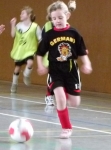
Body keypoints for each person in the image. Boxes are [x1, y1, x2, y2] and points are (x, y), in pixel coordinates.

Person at [36, 0, 92, 138]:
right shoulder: (49, 35)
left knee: (74, 103)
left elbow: (82, 51)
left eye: (60, 17)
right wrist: (41, 65)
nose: (57, 20)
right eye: (54, 18)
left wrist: (87, 63)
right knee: (60, 98)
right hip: (55, 70)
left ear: (67, 15)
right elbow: (39, 53)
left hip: (71, 70)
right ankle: (66, 128)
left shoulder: (74, 33)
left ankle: (66, 91)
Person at [42, 0, 77, 106]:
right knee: (52, 76)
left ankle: (62, 95)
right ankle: (49, 95)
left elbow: (63, 14)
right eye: (54, 18)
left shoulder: (65, 24)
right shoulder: (47, 27)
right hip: (51, 54)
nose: (57, 20)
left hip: (63, 55)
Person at [10, 6, 41, 93]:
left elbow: (40, 38)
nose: (20, 15)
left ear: (29, 15)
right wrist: (12, 25)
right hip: (20, 50)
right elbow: (13, 35)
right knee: (17, 68)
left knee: (30, 62)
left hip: (29, 50)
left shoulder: (35, 27)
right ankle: (14, 83)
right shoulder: (18, 25)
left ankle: (26, 75)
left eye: (23, 13)